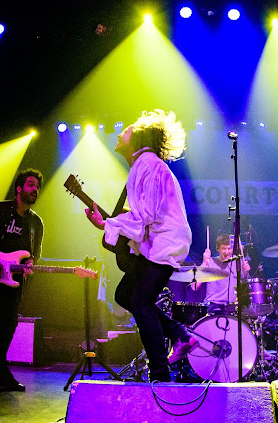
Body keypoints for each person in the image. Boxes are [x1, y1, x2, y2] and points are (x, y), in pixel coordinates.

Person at [85, 109, 197, 382]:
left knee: (140, 300)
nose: (120, 133)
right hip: (159, 242)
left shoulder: (147, 165)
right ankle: (179, 334)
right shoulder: (144, 165)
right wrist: (108, 225)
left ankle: (160, 373)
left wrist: (108, 225)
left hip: (165, 243)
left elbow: (145, 216)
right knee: (125, 294)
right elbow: (141, 217)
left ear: (137, 138)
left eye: (125, 130)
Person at [0, 168, 44, 391]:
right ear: (19, 188)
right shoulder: (0, 209)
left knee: (10, 322)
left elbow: (35, 253)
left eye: (38, 187)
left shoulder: (36, 223)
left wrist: (30, 263)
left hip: (15, 278)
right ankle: (0, 370)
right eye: (31, 185)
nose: (35, 190)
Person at [194, 233, 251, 314]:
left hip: (233, 306)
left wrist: (246, 273)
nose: (227, 252)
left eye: (229, 248)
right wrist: (204, 263)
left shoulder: (238, 262)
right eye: (224, 248)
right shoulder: (210, 262)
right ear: (218, 249)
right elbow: (194, 286)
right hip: (214, 305)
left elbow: (247, 286)